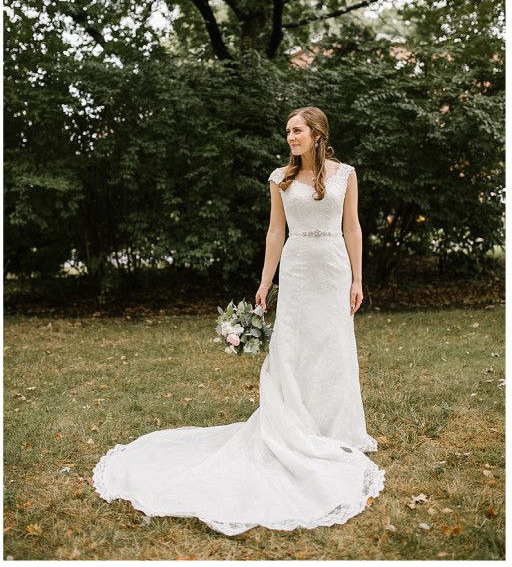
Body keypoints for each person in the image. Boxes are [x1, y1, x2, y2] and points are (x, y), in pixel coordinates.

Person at [92, 106, 383, 534]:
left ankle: (333, 428)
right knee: (294, 348)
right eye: (287, 131)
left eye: (297, 131)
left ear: (318, 134)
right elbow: (274, 233)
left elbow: (353, 228)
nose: (290, 137)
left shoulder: (346, 175)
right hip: (299, 269)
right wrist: (265, 283)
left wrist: (358, 277)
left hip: (335, 268)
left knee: (333, 346)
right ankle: (294, 425)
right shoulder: (279, 178)